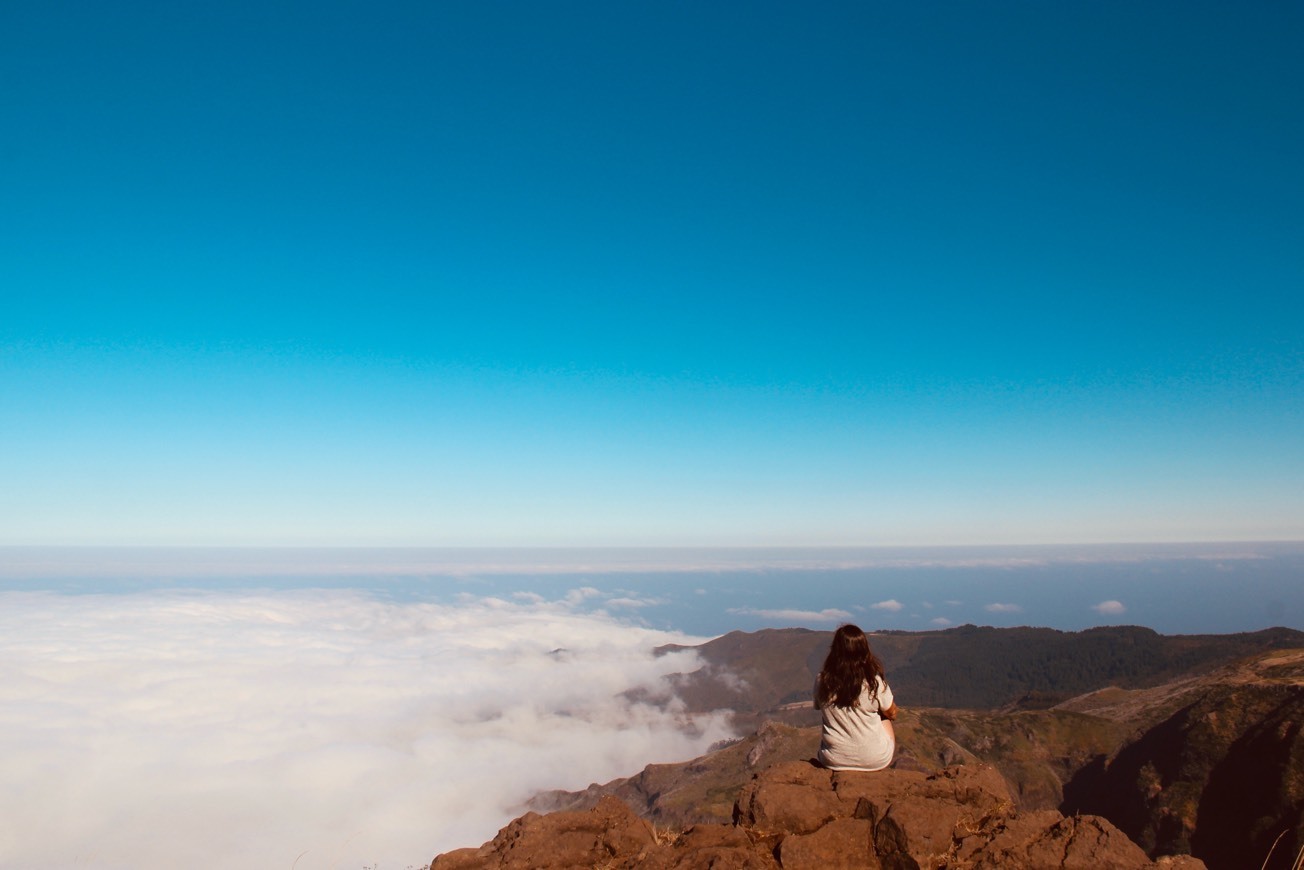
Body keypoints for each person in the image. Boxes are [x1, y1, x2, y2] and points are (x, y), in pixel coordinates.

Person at [813, 623, 898, 771]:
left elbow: (817, 706)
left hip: (833, 759)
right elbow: (892, 713)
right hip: (875, 760)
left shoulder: (822, 681)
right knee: (884, 715)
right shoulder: (874, 682)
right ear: (864, 650)